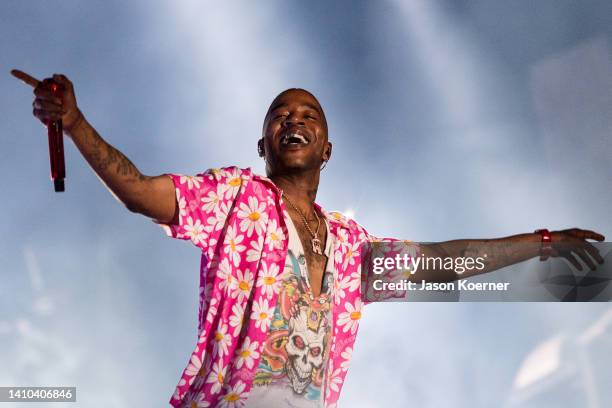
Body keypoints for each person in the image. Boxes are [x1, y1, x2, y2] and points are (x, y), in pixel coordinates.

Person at [12, 69, 605, 407]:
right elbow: (139, 191)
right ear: (262, 144)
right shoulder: (236, 199)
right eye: (280, 115)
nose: (293, 120)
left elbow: (442, 264)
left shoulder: (350, 249)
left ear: (327, 150)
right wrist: (75, 122)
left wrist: (542, 242)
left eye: (308, 116)